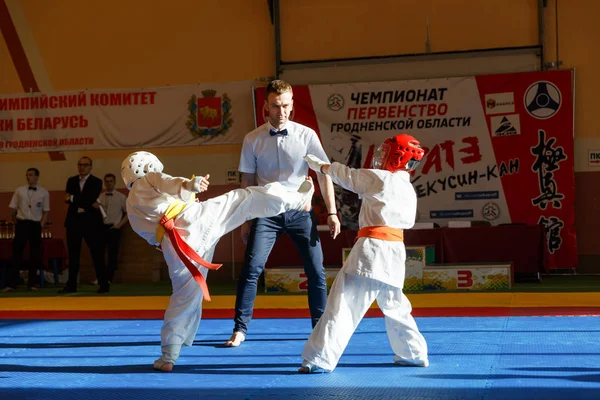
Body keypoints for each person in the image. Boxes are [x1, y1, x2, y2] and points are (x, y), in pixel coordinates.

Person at [121, 151, 315, 372]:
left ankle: (169, 353)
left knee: (185, 294)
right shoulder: (149, 179)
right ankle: (297, 200)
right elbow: (169, 182)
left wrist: (185, 196)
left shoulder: (131, 208)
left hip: (172, 245)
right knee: (243, 199)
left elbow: (152, 234)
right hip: (193, 221)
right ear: (147, 167)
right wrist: (189, 184)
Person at [298, 133, 429, 373]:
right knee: (395, 304)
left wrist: (323, 166)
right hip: (394, 253)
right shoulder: (407, 188)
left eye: (385, 153)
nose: (380, 158)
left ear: (397, 156)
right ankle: (413, 353)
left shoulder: (380, 179)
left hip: (372, 250)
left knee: (344, 302)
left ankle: (319, 358)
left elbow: (348, 176)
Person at [225, 79, 341, 347]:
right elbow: (247, 183)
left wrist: (332, 213)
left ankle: (319, 328)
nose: (282, 112)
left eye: (286, 106)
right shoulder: (252, 140)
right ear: (266, 106)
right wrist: (245, 219)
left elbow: (324, 176)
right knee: (252, 269)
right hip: (265, 213)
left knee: (316, 270)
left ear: (292, 106)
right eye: (276, 106)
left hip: (300, 211)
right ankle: (240, 329)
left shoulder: (307, 136)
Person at [59, 156, 109, 294]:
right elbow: (78, 200)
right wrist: (86, 202)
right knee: (73, 255)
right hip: (74, 221)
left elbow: (88, 198)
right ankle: (71, 285)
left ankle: (103, 284)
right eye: (80, 164)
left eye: (85, 165)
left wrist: (74, 198)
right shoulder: (71, 180)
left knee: (97, 253)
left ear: (90, 167)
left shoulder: (96, 181)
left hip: (91, 223)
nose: (82, 167)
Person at [3, 168, 50, 292]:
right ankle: (12, 284)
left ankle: (32, 284)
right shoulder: (19, 190)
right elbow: (13, 209)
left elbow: (46, 211)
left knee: (35, 255)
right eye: (27, 175)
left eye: (31, 175)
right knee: (16, 254)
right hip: (22, 223)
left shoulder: (44, 192)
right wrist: (15, 221)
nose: (28, 177)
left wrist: (41, 224)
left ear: (37, 177)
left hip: (35, 224)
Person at [92, 173, 128, 284]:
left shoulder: (121, 197)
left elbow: (128, 214)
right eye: (106, 181)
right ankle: (100, 278)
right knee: (99, 255)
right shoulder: (99, 197)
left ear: (114, 182)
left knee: (113, 255)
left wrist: (119, 225)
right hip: (101, 229)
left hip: (114, 228)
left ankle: (108, 279)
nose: (108, 183)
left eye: (110, 181)